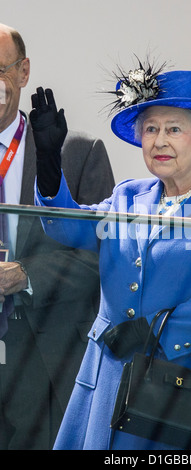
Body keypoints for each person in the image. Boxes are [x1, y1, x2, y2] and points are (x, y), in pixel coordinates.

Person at [31, 60, 191, 450]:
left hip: (177, 387)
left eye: (174, 129)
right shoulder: (128, 194)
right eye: (151, 129)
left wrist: (155, 332)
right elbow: (69, 228)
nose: (159, 141)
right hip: (105, 382)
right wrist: (50, 166)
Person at [0, 23, 115, 449]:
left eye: (0, 70)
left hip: (47, 365)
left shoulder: (76, 154)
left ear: (23, 71)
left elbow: (102, 256)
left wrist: (23, 274)